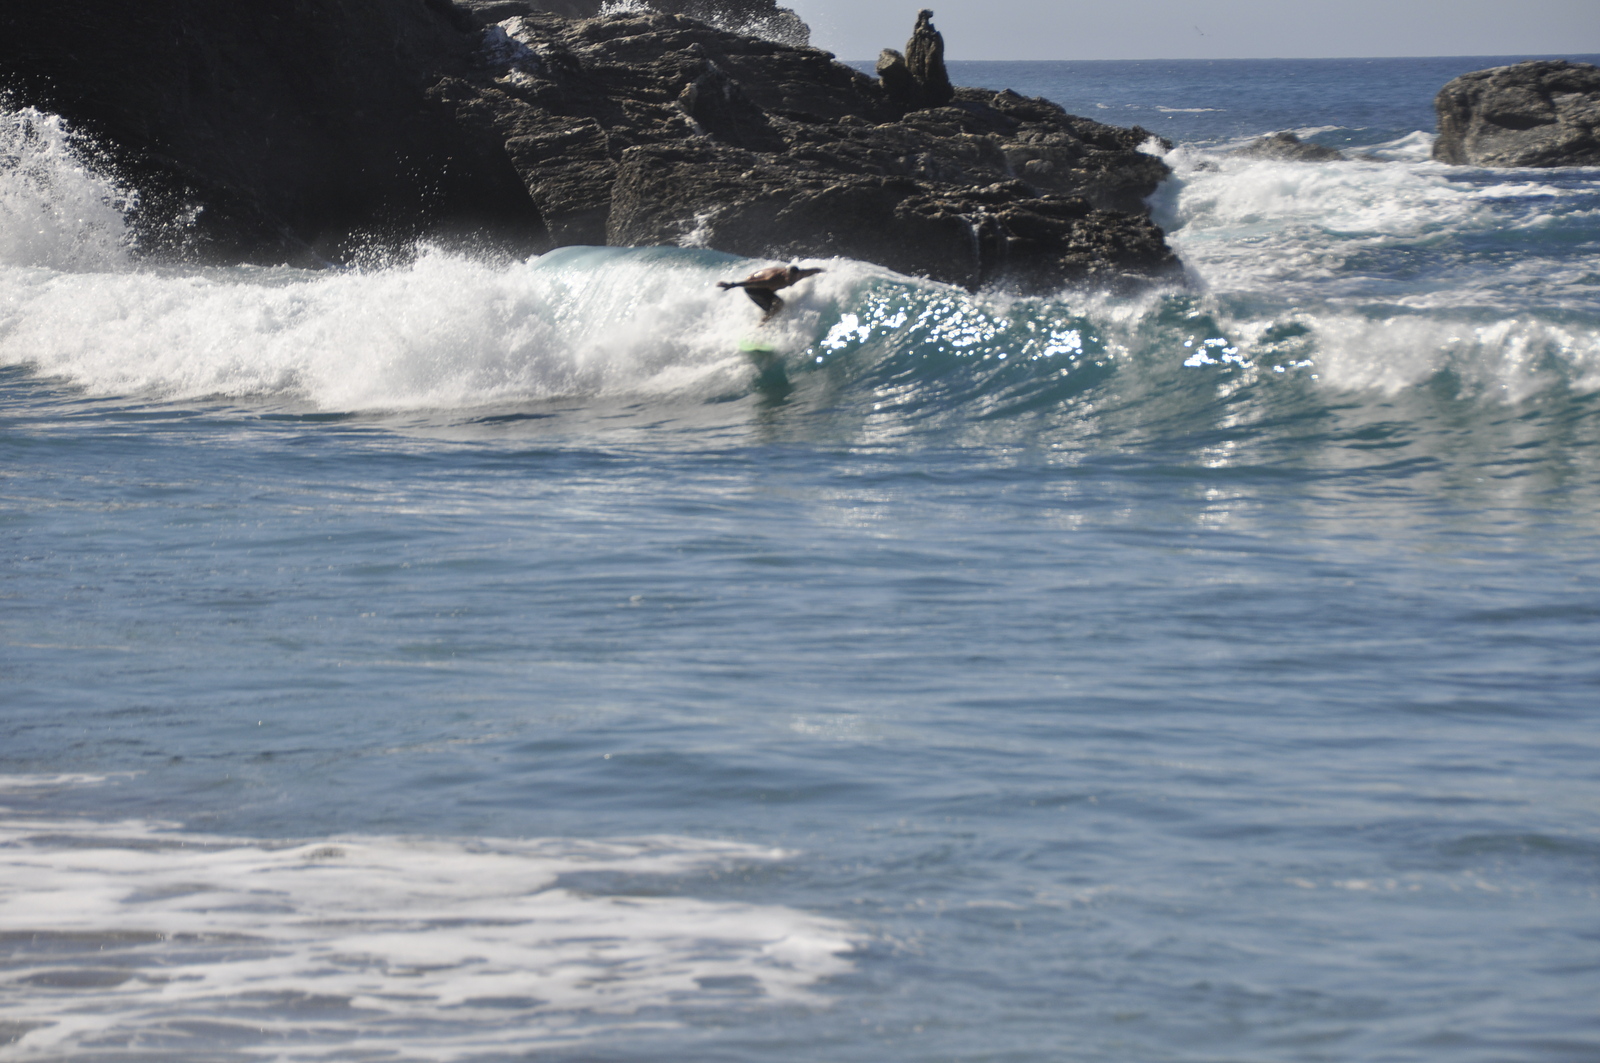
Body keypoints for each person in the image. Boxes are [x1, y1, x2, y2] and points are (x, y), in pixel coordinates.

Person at [717, 264, 824, 320]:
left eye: (793, 279)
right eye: (789, 279)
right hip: (753, 287)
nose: (791, 282)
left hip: (764, 287)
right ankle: (761, 327)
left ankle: (766, 321)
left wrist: (827, 271)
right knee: (778, 304)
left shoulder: (801, 274)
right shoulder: (773, 280)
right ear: (785, 275)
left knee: (776, 307)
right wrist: (732, 285)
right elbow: (751, 283)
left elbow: (815, 270)